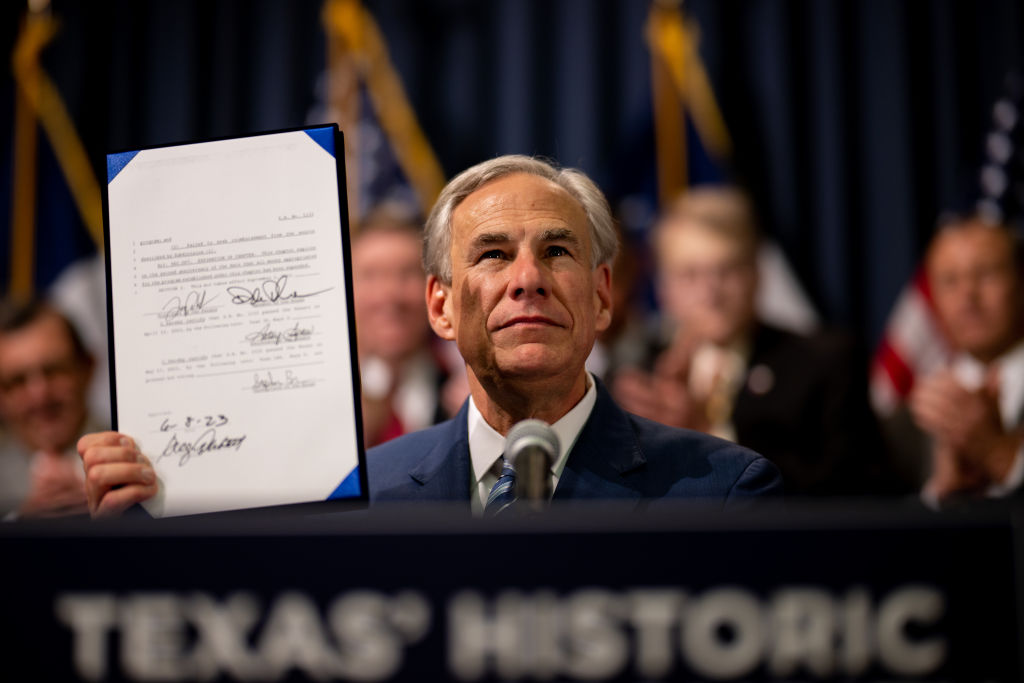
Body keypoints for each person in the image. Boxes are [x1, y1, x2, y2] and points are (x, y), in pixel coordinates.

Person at [78, 156, 781, 517]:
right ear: (440, 308)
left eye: (559, 251)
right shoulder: (360, 498)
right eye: (493, 253)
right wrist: (149, 516)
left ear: (602, 297)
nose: (527, 278)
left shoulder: (722, 492)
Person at [613, 187, 886, 495]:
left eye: (727, 271)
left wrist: (707, 435)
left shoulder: (825, 363)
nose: (710, 294)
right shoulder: (637, 376)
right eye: (690, 275)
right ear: (663, 288)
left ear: (757, 274)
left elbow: (857, 491)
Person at [908, 215, 1024, 503]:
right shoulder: (904, 421)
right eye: (950, 280)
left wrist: (1000, 457)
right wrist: (940, 497)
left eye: (986, 273)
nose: (968, 295)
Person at [351, 204, 467, 447]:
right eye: (372, 276)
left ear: (436, 289)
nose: (390, 295)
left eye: (408, 274)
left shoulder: (469, 387)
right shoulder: (320, 402)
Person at [0, 300, 99, 518]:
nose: (39, 395)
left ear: (88, 368)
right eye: (17, 381)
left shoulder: (138, 453)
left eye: (53, 370)